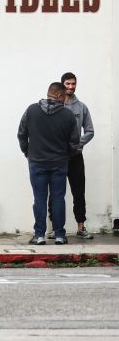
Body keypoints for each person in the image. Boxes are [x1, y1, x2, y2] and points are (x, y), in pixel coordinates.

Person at [18, 82, 80, 245]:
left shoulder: (31, 110)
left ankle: (39, 235)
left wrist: (27, 152)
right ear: (59, 96)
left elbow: (21, 133)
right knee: (58, 198)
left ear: (48, 94)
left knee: (39, 198)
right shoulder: (68, 115)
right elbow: (75, 142)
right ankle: (59, 235)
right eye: (64, 97)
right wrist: (67, 154)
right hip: (59, 162)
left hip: (37, 161)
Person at [59, 72, 95, 239]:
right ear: (62, 85)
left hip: (75, 157)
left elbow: (90, 131)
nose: (71, 87)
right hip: (58, 157)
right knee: (56, 193)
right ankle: (55, 229)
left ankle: (81, 226)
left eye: (73, 84)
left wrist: (77, 143)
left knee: (79, 192)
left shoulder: (82, 107)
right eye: (68, 84)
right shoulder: (55, 106)